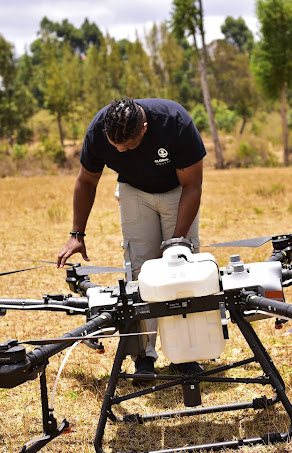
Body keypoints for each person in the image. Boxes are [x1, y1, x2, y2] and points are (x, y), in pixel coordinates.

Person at [57, 97, 205, 376]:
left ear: (146, 128)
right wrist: (76, 233)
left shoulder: (175, 121)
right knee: (140, 272)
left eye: (128, 144)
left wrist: (177, 242)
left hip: (178, 192)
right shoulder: (98, 130)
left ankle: (184, 354)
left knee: (181, 270)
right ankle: (143, 356)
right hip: (135, 192)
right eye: (116, 146)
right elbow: (86, 180)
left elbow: (192, 185)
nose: (122, 150)